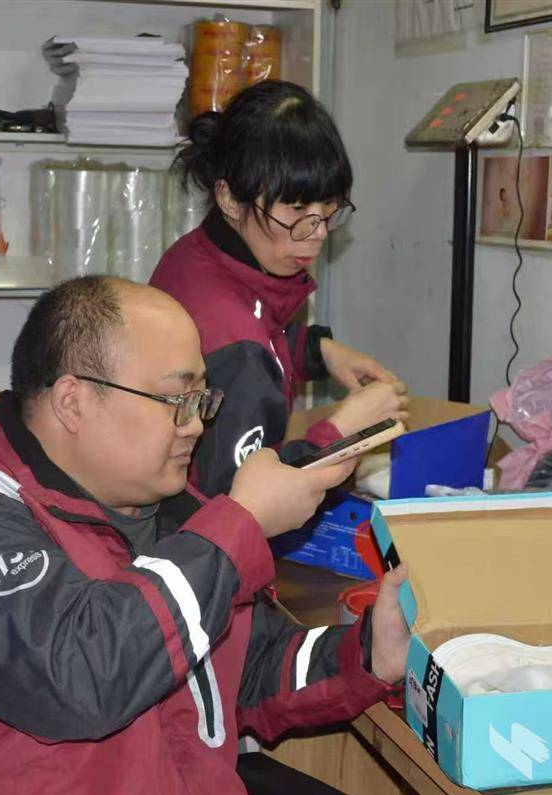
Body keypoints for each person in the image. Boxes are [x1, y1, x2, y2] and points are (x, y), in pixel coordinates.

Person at [0, 276, 411, 795]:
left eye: (202, 400)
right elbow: (83, 677)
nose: (195, 425)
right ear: (73, 402)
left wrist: (368, 653)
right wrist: (239, 524)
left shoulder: (170, 510)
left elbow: (253, 668)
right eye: (177, 400)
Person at [151, 80, 408, 496]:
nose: (317, 233)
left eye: (328, 208)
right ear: (230, 199)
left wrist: (315, 351)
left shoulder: (195, 254)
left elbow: (250, 330)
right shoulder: (239, 350)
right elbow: (244, 504)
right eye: (297, 209)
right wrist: (345, 430)